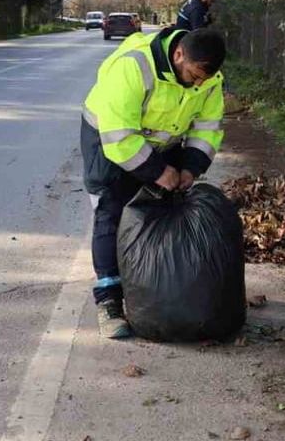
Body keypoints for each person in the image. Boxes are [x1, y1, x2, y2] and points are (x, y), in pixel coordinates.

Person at [80, 26, 228, 339]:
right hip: (109, 137)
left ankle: (151, 287)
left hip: (162, 139)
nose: (198, 83)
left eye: (204, 79)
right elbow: (119, 136)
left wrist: (190, 168)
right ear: (179, 55)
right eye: (194, 75)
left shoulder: (210, 78)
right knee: (111, 210)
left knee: (159, 207)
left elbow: (207, 127)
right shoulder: (134, 67)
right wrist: (158, 171)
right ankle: (108, 299)